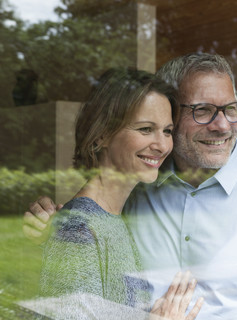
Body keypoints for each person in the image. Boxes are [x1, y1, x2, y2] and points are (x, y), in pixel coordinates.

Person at [24, 53, 237, 319]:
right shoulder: (136, 190)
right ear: (171, 111)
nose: (223, 125)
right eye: (203, 110)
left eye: (231, 108)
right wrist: (55, 227)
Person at [37, 67, 204, 319]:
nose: (161, 145)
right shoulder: (79, 227)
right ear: (101, 135)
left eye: (167, 131)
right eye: (145, 129)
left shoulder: (112, 219)